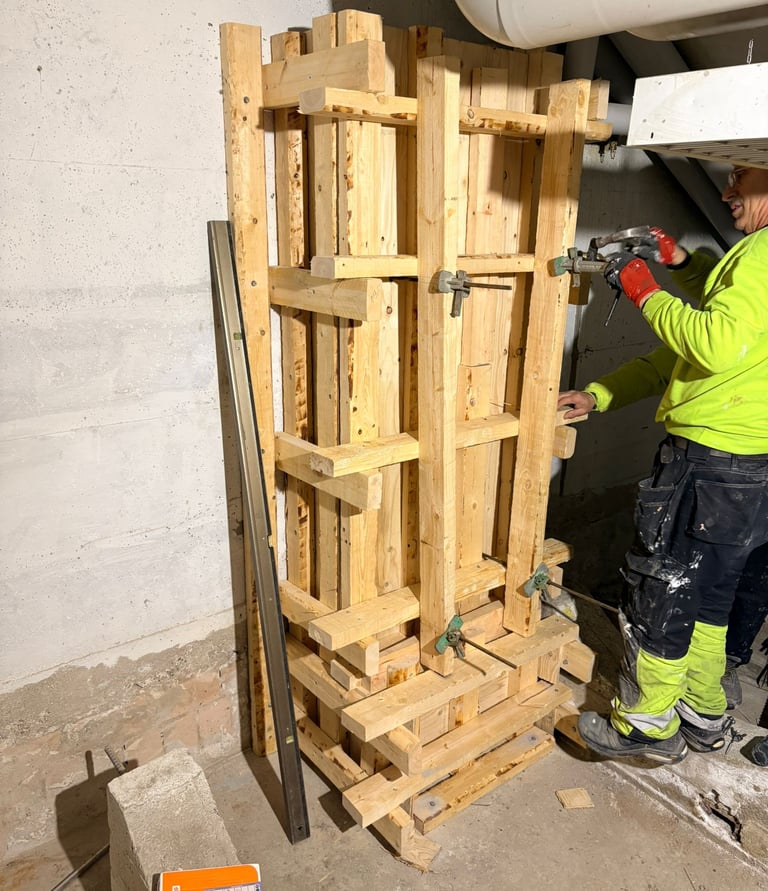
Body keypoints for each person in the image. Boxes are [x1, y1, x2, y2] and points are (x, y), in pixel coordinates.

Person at [558, 164, 768, 764]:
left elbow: (710, 344)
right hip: (750, 466)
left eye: (742, 178)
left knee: (663, 588)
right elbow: (693, 353)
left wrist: (644, 285)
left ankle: (647, 727)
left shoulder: (758, 256)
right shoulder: (753, 258)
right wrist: (598, 395)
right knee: (708, 596)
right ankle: (702, 714)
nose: (727, 191)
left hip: (706, 460)